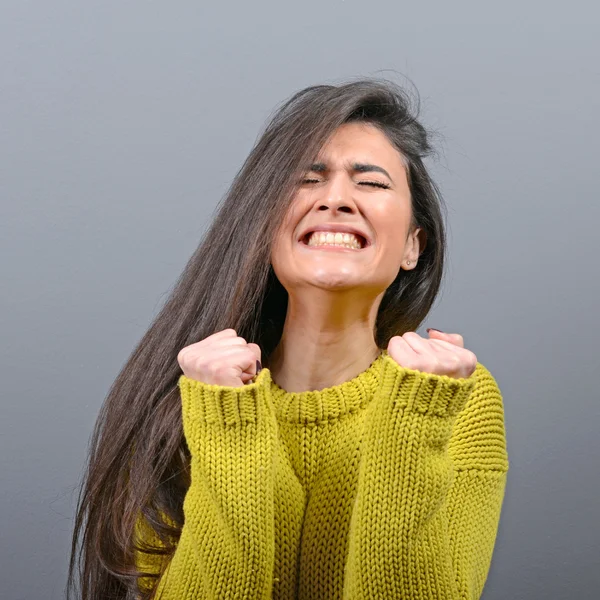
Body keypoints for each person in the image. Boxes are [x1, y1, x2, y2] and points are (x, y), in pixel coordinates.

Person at [67, 78, 509, 599]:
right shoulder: (189, 401)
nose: (337, 199)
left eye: (370, 183)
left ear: (413, 245)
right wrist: (226, 417)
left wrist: (418, 413)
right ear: (264, 227)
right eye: (307, 179)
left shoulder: (460, 401)